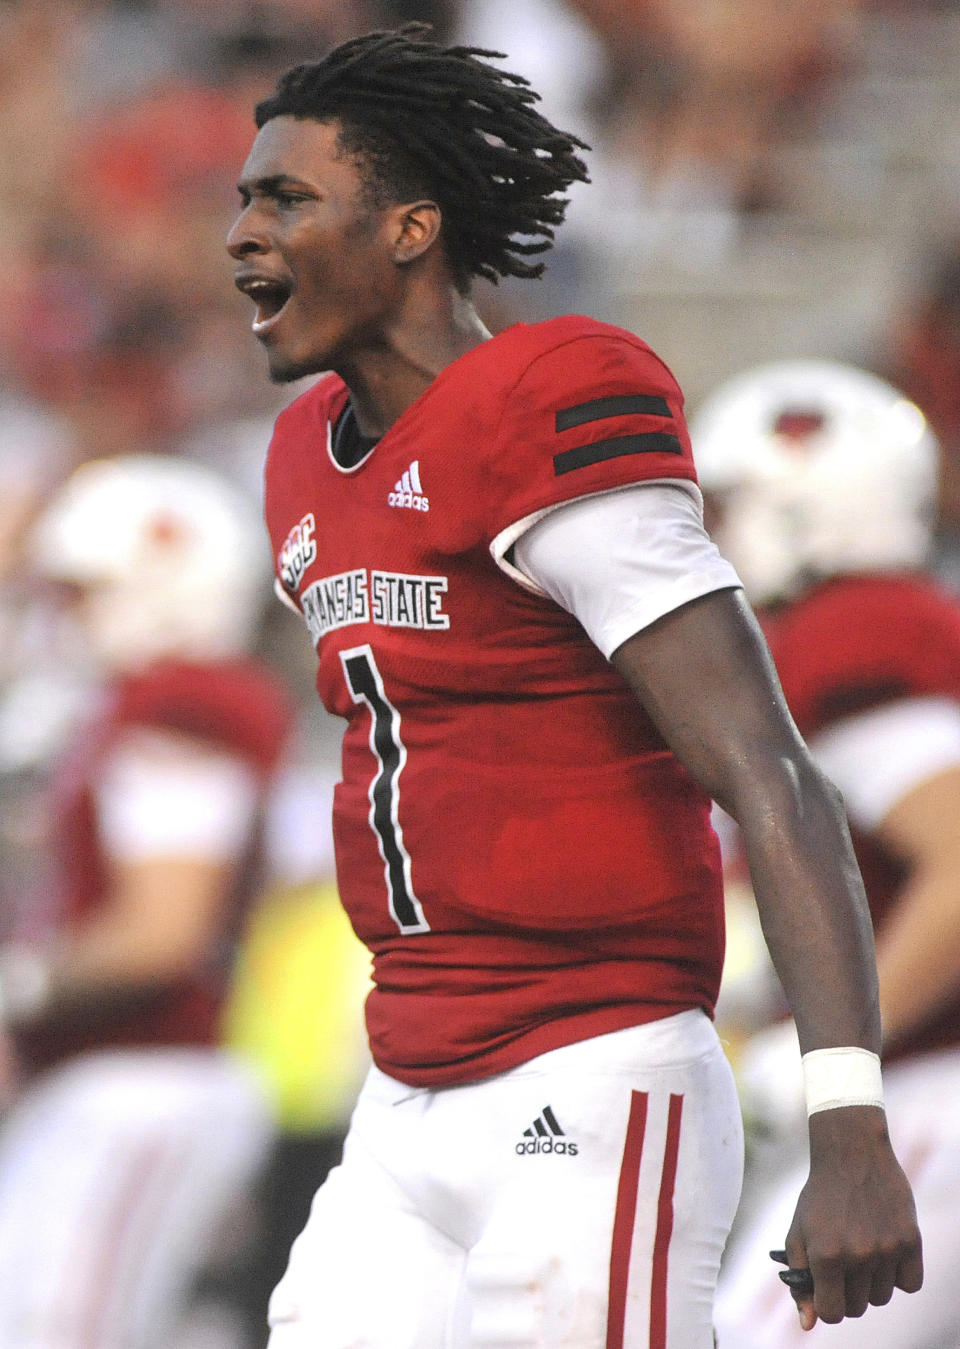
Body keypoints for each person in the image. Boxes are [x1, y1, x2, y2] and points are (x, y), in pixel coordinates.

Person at [226, 25, 921, 1348]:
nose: (244, 234)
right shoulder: (303, 455)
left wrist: (846, 1121)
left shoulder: (550, 398)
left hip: (591, 1062)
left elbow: (765, 765)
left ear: (413, 227)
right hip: (408, 1083)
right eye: (244, 201)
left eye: (287, 198)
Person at [688, 359, 960, 1349]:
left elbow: (959, 870)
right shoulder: (892, 618)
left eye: (727, 507)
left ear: (795, 510)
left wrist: (839, 1059)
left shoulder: (854, 634)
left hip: (934, 1090)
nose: (707, 536)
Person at [0, 454, 294, 1349]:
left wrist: (19, 986)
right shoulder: (138, 705)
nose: (73, 619)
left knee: (61, 1332)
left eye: (90, 592)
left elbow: (163, 928)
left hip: (144, 1078)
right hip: (106, 1078)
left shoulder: (185, 703)